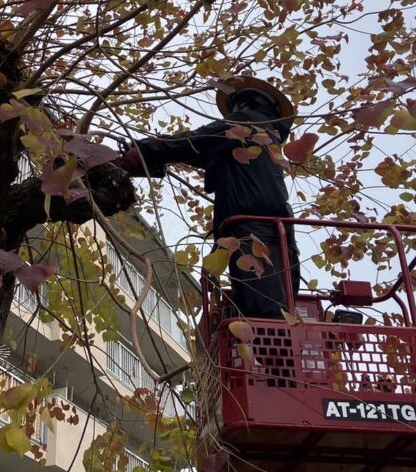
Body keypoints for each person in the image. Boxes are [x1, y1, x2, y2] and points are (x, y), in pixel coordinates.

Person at [116, 77, 301, 319]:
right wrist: (153, 158)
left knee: (265, 318)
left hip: (252, 232)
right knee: (272, 314)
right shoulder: (263, 141)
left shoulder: (246, 124)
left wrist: (143, 149)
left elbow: (196, 142)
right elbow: (199, 152)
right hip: (274, 236)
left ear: (244, 105)